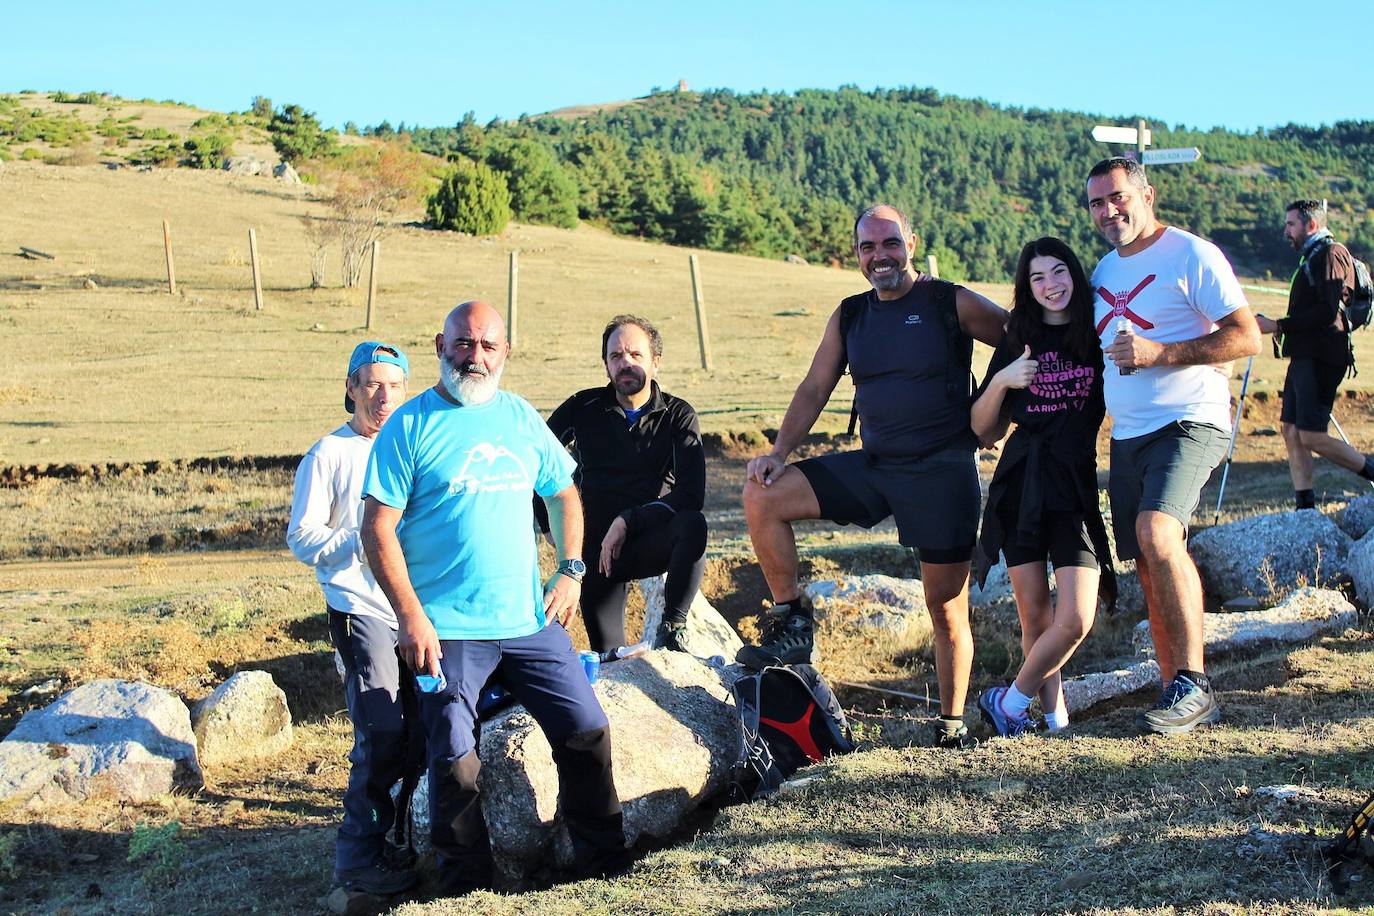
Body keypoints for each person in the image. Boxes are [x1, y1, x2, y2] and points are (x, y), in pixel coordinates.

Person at [360, 300, 626, 896]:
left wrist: (571, 569)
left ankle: (603, 866)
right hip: (446, 629)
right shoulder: (411, 425)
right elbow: (376, 527)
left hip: (529, 620)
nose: (474, 356)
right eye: (463, 344)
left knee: (586, 728)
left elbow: (562, 492)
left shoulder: (520, 417)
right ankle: (466, 889)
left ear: (506, 352)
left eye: (487, 345)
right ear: (439, 345)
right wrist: (410, 617)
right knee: (455, 757)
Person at [738, 203, 1007, 749]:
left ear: (911, 240)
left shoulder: (949, 301)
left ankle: (951, 726)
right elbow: (816, 386)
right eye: (868, 247)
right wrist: (779, 452)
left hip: (941, 472)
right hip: (876, 465)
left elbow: (1017, 338)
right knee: (762, 495)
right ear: (857, 252)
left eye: (890, 243)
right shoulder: (851, 313)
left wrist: (992, 410)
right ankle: (792, 622)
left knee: (944, 605)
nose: (879, 256)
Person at [1086, 157, 1261, 735]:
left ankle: (1196, 686)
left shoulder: (1192, 254)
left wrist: (1162, 354)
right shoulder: (1104, 270)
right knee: (1145, 556)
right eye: (1096, 203)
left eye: (1117, 198)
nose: (1109, 211)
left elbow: (1245, 335)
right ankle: (1174, 693)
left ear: (1146, 193)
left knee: (1158, 533)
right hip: (1129, 434)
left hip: (1190, 419)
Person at [287, 341, 426, 896]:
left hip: (417, 611)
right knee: (382, 728)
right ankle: (356, 858)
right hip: (359, 608)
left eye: (393, 386)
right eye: (371, 384)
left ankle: (404, 837)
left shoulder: (416, 446)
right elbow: (301, 537)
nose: (382, 396)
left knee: (423, 728)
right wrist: (366, 538)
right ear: (350, 388)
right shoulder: (329, 454)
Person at [971, 238, 1115, 738]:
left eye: (1058, 272)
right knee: (1036, 615)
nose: (1050, 285)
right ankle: (1056, 722)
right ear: (1026, 287)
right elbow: (982, 430)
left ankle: (1007, 702)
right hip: (1021, 484)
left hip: (1074, 486)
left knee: (1074, 618)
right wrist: (1002, 381)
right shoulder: (1018, 338)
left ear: (1075, 276)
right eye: (1037, 278)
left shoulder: (1096, 333)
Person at [544, 314, 708, 655]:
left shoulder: (679, 415)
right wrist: (546, 524)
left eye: (635, 355)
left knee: (693, 524)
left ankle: (672, 628)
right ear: (606, 365)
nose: (625, 363)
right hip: (594, 552)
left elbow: (692, 495)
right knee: (611, 657)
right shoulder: (582, 407)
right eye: (616, 356)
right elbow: (536, 457)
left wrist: (630, 519)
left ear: (656, 363)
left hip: (650, 537)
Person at [1256, 199, 1374, 507]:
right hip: (1304, 356)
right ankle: (1305, 507)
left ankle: (1371, 470)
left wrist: (1278, 324)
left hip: (1323, 357)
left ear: (1311, 225)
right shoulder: (1312, 256)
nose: (1286, 231)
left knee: (1310, 435)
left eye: (1291, 224)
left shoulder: (1330, 255)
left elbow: (1326, 313)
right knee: (1290, 429)